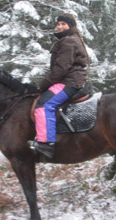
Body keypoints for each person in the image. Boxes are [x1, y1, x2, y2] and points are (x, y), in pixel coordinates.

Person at [28, 13, 89, 159]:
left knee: (43, 105)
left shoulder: (68, 41)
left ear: (71, 26)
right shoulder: (70, 40)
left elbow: (60, 68)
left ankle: (46, 144)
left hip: (69, 82)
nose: (60, 26)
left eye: (64, 24)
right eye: (58, 24)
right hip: (70, 80)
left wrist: (42, 85)